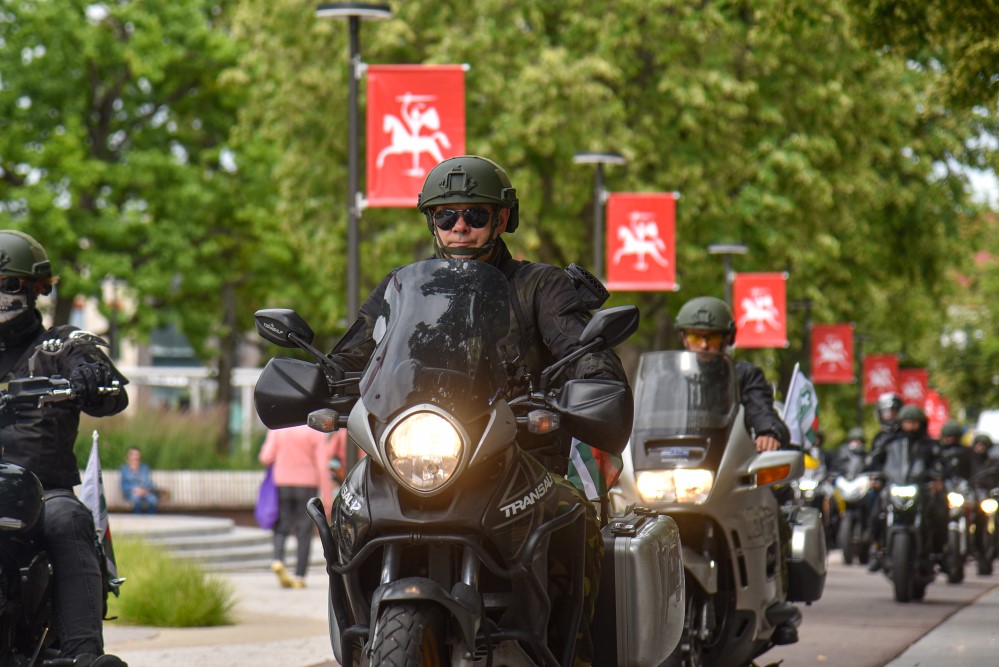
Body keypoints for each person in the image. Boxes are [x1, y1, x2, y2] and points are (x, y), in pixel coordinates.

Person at [323, 155, 629, 665]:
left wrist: (594, 378)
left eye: (475, 214)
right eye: (446, 215)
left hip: (523, 463)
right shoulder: (402, 290)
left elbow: (582, 347)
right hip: (415, 460)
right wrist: (320, 380)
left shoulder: (541, 286)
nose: (459, 226)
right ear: (432, 223)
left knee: (575, 519)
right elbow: (354, 355)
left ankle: (572, 656)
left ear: (502, 218)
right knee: (346, 510)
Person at [0, 230, 129, 667]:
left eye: (8, 283)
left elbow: (108, 389)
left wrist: (92, 376)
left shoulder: (58, 346)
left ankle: (84, 655)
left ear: (36, 288)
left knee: (67, 518)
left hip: (41, 493)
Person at [673, 295, 798, 644]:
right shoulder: (670, 379)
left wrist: (769, 433)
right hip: (678, 473)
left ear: (727, 338)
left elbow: (762, 410)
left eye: (711, 337)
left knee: (773, 508)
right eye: (696, 336)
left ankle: (777, 600)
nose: (703, 345)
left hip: (727, 469)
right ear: (684, 338)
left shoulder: (744, 375)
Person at [866, 404, 947, 573]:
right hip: (895, 485)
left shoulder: (930, 444)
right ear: (901, 423)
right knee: (876, 512)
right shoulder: (889, 441)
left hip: (921, 489)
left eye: (914, 422)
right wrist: (874, 474)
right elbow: (875, 460)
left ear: (921, 423)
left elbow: (940, 463)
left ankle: (940, 553)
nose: (910, 426)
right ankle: (876, 549)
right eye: (907, 422)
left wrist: (937, 477)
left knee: (939, 512)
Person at [258, 424, 333, 589]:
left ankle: (278, 560)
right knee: (304, 530)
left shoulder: (278, 428)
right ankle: (299, 576)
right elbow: (322, 465)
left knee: (281, 524)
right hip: (307, 484)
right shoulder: (315, 430)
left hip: (282, 482)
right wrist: (327, 500)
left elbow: (266, 456)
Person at [119, 446, 160, 514]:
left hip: (145, 492)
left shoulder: (145, 468)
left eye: (137, 455)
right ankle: (137, 519)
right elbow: (124, 485)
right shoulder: (124, 469)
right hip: (131, 493)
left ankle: (151, 519)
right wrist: (135, 489)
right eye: (133, 455)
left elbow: (149, 483)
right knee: (137, 500)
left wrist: (144, 490)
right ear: (129, 457)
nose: (135, 457)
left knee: (153, 500)